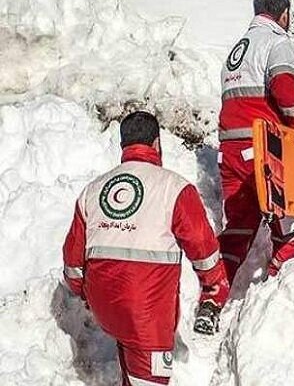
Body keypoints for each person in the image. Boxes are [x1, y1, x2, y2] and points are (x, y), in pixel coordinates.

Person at [62, 111, 230, 386]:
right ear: (156, 145)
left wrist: (85, 294)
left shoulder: (92, 190)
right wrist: (213, 286)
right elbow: (202, 246)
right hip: (146, 314)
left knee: (128, 353)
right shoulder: (174, 188)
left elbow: (72, 260)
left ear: (123, 147)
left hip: (105, 307)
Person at [218, 0, 294, 283]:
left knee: (239, 226)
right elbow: (284, 90)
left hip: (230, 149)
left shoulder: (237, 49)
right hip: (262, 148)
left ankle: (212, 295)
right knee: (291, 225)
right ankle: (273, 289)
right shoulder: (276, 40)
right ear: (284, 15)